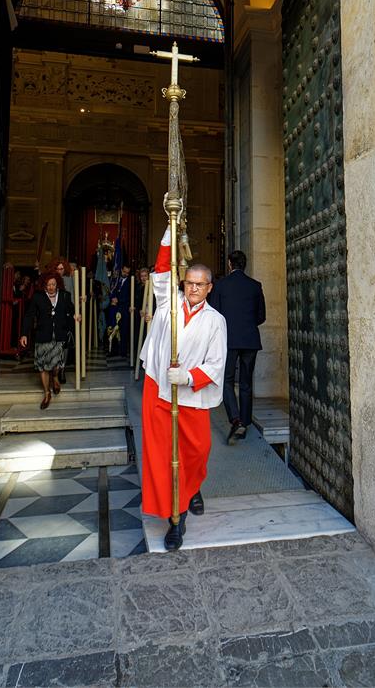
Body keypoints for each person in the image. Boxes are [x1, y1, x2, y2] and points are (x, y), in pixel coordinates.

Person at [140, 222, 227, 551]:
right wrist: (171, 229)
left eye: (199, 284)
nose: (193, 289)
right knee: (163, 457)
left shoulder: (216, 321)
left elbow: (216, 364)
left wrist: (188, 377)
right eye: (189, 283)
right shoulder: (168, 304)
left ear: (209, 287)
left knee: (197, 451)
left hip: (191, 396)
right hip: (159, 390)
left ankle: (192, 487)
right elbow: (162, 269)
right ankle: (176, 520)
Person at [208, 250, 266, 444]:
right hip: (250, 340)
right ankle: (246, 422)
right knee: (246, 382)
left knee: (226, 380)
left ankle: (236, 420)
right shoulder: (255, 286)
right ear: (244, 264)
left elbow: (213, 314)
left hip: (228, 340)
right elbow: (261, 316)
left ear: (229, 264)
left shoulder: (221, 285)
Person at [19, 271, 80, 409]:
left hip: (59, 335)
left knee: (56, 364)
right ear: (44, 285)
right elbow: (29, 316)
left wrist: (77, 315)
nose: (51, 287)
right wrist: (24, 334)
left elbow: (72, 311)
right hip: (42, 335)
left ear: (57, 284)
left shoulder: (64, 295)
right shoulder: (37, 297)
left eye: (53, 284)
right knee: (42, 366)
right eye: (48, 284)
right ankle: (47, 393)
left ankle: (55, 376)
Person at [110, 263, 131, 357]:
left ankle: (122, 352)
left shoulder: (130, 282)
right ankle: (113, 350)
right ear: (121, 270)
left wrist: (118, 300)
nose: (125, 274)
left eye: (127, 273)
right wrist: (112, 298)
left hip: (124, 310)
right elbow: (111, 290)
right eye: (124, 271)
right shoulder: (116, 279)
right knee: (113, 328)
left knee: (123, 331)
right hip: (114, 308)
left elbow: (130, 297)